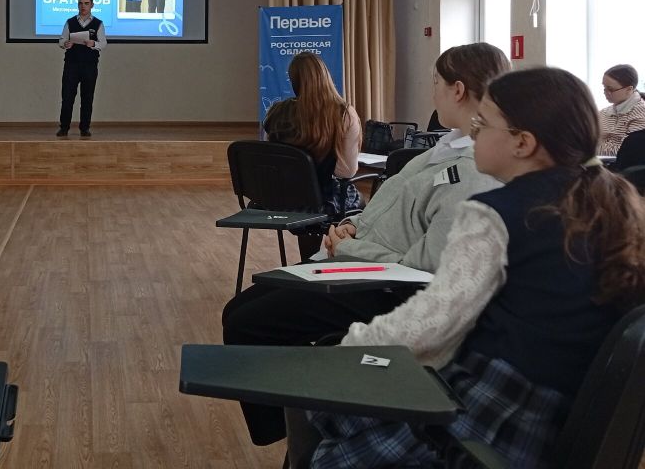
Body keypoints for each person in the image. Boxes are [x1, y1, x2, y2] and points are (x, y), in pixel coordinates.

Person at [300, 67, 645, 469]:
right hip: (557, 419)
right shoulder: (612, 202)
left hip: (491, 419)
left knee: (328, 420)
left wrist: (349, 347)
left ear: (522, 143)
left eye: (482, 124)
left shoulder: (495, 214)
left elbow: (431, 325)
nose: (473, 132)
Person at [222, 42, 510, 447]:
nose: (432, 93)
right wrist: (351, 225)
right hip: (357, 258)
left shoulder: (473, 170)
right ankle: (294, 423)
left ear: (458, 90)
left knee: (247, 323)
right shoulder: (442, 149)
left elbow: (427, 266)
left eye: (435, 83)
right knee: (237, 312)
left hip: (383, 285)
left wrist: (348, 248)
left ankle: (295, 431)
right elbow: (383, 202)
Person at [263, 51, 363, 218]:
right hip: (322, 202)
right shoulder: (343, 113)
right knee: (357, 199)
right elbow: (346, 172)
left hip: (280, 200)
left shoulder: (276, 112)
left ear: (294, 81)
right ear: (325, 76)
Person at [56, 0, 107, 138]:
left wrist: (93, 44)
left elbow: (103, 43)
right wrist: (65, 43)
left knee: (87, 98)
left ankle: (85, 128)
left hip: (89, 66)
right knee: (67, 97)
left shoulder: (98, 23)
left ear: (92, 5)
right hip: (71, 65)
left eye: (86, 3)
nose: (83, 6)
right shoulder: (70, 22)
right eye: (80, 3)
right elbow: (61, 40)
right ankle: (64, 128)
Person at [598, 63, 645, 155]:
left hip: (622, 164)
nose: (605, 92)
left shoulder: (641, 113)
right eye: (604, 87)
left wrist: (591, 149)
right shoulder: (603, 113)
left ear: (629, 89)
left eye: (610, 89)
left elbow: (627, 150)